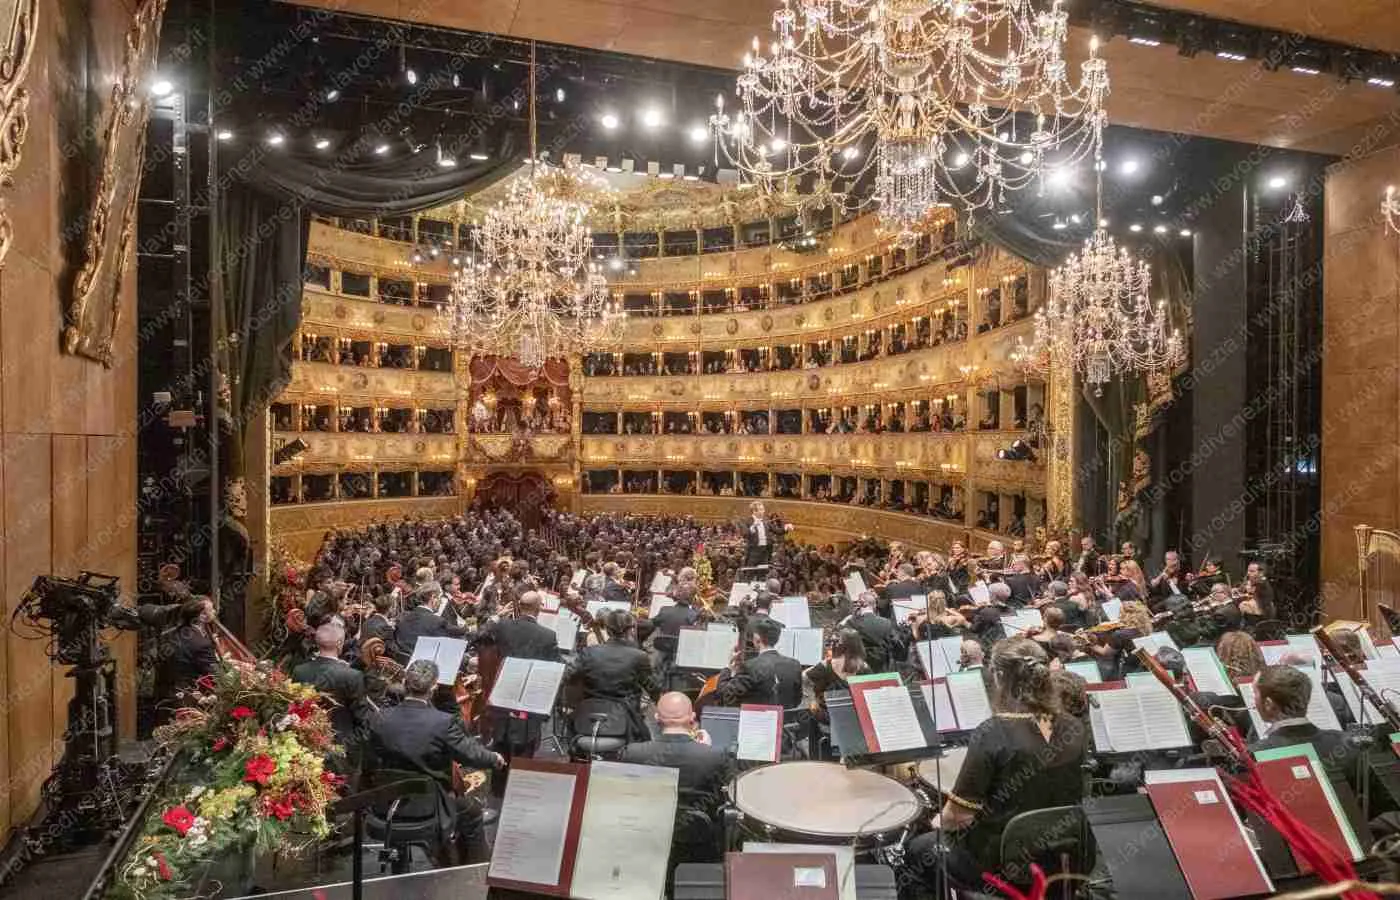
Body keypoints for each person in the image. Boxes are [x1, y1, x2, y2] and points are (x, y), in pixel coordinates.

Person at [900, 638, 1088, 894]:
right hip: (1063, 856)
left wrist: (935, 821)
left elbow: (959, 817)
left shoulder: (993, 732)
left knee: (917, 850)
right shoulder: (1074, 726)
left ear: (999, 677)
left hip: (1002, 864)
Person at [366, 660, 505, 864]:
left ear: (405, 683)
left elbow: (370, 760)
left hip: (386, 805)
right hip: (429, 806)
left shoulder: (380, 718)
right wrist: (494, 758)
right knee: (472, 812)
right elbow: (469, 754)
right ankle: (475, 870)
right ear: (433, 687)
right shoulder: (442, 722)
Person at [620, 693, 733, 865]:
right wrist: (706, 750)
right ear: (692, 717)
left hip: (645, 843)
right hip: (700, 847)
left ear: (657, 717)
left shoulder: (633, 753)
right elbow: (727, 797)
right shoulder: (715, 756)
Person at [1251, 665, 1359, 786]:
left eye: (1255, 694)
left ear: (1268, 704)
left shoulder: (1257, 753)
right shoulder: (1347, 742)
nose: (1253, 701)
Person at [292, 620, 375, 774]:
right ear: (339, 644)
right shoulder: (352, 676)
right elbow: (363, 721)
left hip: (307, 748)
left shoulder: (299, 671)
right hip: (342, 751)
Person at [569, 610, 659, 741]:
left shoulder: (589, 652)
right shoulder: (639, 656)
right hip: (625, 717)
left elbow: (571, 678)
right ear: (631, 630)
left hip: (589, 714)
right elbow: (652, 688)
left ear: (607, 630)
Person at [716, 617, 803, 708]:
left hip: (756, 721)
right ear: (777, 639)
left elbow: (725, 697)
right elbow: (797, 700)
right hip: (784, 721)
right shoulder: (794, 665)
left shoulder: (750, 667)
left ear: (757, 639)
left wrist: (728, 668)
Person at [155, 596, 219, 718]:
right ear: (201, 616)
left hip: (171, 689)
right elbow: (213, 671)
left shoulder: (177, 632)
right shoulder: (200, 643)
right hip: (190, 692)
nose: (214, 612)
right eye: (211, 609)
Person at [804, 629, 870, 724]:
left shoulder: (827, 665)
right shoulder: (864, 667)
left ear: (840, 645)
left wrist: (812, 702)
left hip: (827, 717)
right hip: (854, 717)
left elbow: (805, 678)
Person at [392, 584, 467, 663]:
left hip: (404, 664)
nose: (441, 601)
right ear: (433, 597)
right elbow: (453, 644)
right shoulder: (436, 621)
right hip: (427, 668)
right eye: (440, 597)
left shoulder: (403, 617)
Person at [846, 590, 903, 673]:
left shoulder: (851, 622)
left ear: (861, 604)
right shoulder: (886, 623)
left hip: (860, 672)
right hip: (882, 670)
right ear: (875, 605)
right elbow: (896, 645)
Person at [744, 500, 774, 568]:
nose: (763, 511)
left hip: (764, 551)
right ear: (754, 511)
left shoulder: (765, 520)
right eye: (761, 509)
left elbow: (776, 530)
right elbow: (745, 534)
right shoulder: (747, 521)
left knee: (763, 572)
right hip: (754, 552)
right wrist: (753, 526)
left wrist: (786, 527)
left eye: (763, 509)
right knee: (750, 572)